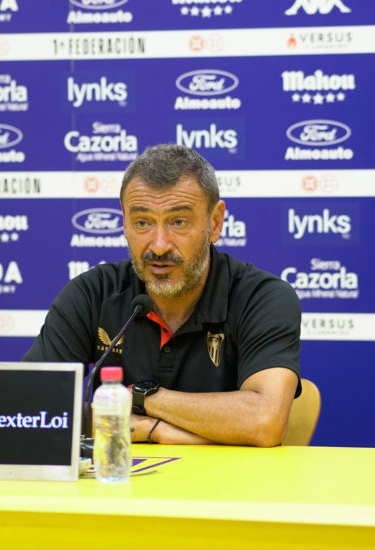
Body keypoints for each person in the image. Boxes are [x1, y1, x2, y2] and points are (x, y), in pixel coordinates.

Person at [23, 144, 302, 447]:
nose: (158, 245)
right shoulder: (91, 293)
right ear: (124, 223)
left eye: (178, 222)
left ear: (215, 222)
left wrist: (142, 403)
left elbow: (264, 421)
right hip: (116, 486)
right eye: (143, 222)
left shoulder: (262, 297)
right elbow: (29, 410)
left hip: (229, 489)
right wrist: (161, 429)